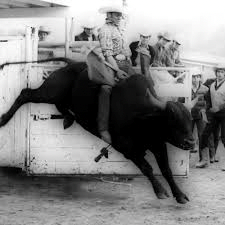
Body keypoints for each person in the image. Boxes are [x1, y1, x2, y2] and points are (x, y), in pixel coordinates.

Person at [86, 4, 135, 144]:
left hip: (126, 64)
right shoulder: (105, 30)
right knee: (106, 89)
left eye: (121, 15)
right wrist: (117, 71)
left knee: (141, 85)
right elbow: (108, 54)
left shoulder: (119, 28)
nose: (120, 17)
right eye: (117, 15)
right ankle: (103, 128)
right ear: (110, 15)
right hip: (114, 65)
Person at [196, 64, 225, 168]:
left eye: (222, 72)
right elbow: (208, 100)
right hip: (214, 115)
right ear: (215, 73)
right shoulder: (212, 85)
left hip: (224, 114)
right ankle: (204, 160)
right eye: (218, 72)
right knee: (204, 135)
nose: (220, 74)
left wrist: (220, 108)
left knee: (224, 138)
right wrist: (204, 110)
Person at [189, 68, 208, 158]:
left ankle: (203, 159)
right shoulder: (187, 88)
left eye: (197, 77)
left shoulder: (205, 89)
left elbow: (209, 103)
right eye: (193, 77)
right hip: (189, 115)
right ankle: (185, 159)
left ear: (200, 78)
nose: (195, 79)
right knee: (188, 135)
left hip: (201, 115)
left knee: (202, 136)